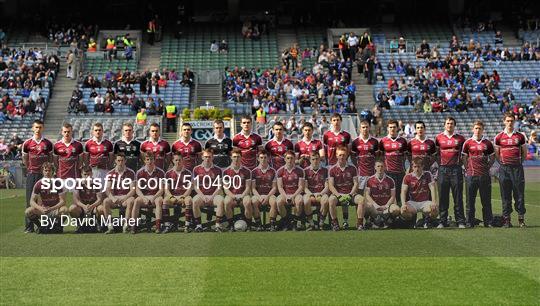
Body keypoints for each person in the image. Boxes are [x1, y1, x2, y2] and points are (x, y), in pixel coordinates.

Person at [494, 113, 527, 227]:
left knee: (519, 194)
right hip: (504, 169)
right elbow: (497, 154)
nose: (510, 123)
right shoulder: (498, 137)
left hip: (517, 168)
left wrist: (518, 163)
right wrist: (503, 163)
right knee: (505, 195)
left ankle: (521, 219)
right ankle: (507, 220)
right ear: (504, 121)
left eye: (512, 121)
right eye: (507, 120)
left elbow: (524, 152)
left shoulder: (520, 136)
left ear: (514, 122)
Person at [462, 121, 495, 228]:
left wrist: (487, 167)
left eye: (480, 128)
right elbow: (464, 157)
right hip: (471, 176)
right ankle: (469, 222)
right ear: (473, 129)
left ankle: (488, 222)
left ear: (483, 129)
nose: (477, 130)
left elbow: (492, 157)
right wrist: (468, 168)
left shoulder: (488, 143)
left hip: (484, 176)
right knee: (470, 201)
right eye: (476, 128)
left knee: (486, 200)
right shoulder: (467, 142)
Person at [435, 117, 466, 228]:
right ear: (444, 125)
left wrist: (459, 165)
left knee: (458, 197)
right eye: (447, 123)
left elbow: (464, 155)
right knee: (443, 197)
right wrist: (441, 165)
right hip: (443, 169)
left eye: (451, 123)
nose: (449, 125)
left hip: (456, 169)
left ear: (454, 125)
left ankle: (460, 221)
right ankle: (442, 221)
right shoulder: (438, 138)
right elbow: (437, 155)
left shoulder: (461, 138)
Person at [22, 120, 53, 233]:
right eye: (36, 127)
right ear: (32, 128)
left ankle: (45, 225)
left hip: (44, 176)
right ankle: (29, 227)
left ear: (43, 128)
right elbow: (25, 159)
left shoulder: (48, 143)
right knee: (29, 200)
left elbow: (50, 159)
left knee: (45, 200)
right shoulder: (27, 143)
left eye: (40, 127)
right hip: (32, 174)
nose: (38, 129)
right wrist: (30, 168)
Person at [25, 162, 68, 232]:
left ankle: (58, 227)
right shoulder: (38, 184)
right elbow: (31, 201)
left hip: (54, 210)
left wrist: (51, 208)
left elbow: (63, 201)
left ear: (53, 172)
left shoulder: (58, 183)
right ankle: (41, 226)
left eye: (49, 170)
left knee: (65, 210)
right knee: (28, 211)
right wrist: (40, 208)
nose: (47, 172)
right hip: (43, 210)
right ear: (42, 172)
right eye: (45, 170)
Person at [328, 146, 363, 231]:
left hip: (350, 193)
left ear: (347, 155)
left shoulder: (352, 168)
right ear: (336, 155)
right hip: (338, 194)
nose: (342, 157)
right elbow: (331, 185)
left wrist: (350, 195)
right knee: (331, 200)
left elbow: (356, 183)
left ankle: (360, 224)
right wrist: (339, 196)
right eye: (340, 155)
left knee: (361, 200)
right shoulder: (332, 169)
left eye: (343, 155)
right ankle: (335, 224)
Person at [102, 153, 136, 234]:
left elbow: (133, 189)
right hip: (115, 197)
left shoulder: (131, 172)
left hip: (126, 197)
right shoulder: (110, 173)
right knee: (106, 201)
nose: (120, 162)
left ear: (125, 161)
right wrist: (113, 198)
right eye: (118, 160)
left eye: (122, 160)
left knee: (131, 200)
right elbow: (107, 189)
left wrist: (125, 198)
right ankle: (110, 226)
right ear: (115, 161)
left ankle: (126, 226)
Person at [192, 149, 225, 232]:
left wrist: (212, 197)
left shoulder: (218, 170)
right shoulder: (196, 169)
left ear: (213, 157)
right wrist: (203, 197)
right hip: (202, 195)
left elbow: (219, 187)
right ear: (202, 157)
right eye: (206, 157)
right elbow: (195, 186)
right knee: (194, 201)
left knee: (221, 201)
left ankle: (218, 225)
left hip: (214, 195)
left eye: (209, 157)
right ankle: (199, 225)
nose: (207, 159)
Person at [132, 153, 165, 234]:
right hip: (145, 196)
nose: (150, 161)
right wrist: (143, 198)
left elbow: (161, 189)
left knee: (159, 200)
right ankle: (134, 226)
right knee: (136, 201)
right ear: (144, 161)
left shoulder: (160, 172)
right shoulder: (139, 172)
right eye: (147, 159)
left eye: (151, 159)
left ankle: (158, 226)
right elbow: (137, 189)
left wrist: (154, 197)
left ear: (154, 160)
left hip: (156, 195)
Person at [400, 158, 438, 228]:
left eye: (419, 166)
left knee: (435, 210)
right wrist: (403, 204)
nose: (417, 169)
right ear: (412, 167)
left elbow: (432, 189)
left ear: (422, 166)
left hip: (425, 202)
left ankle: (427, 221)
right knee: (403, 211)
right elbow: (403, 192)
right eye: (415, 167)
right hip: (413, 202)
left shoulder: (428, 174)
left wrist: (434, 202)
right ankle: (411, 222)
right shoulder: (407, 177)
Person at [379, 120, 408, 205]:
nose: (392, 129)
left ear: (397, 128)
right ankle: (389, 216)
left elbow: (406, 156)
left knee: (400, 197)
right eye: (390, 127)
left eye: (394, 127)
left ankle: (400, 216)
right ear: (387, 128)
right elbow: (380, 157)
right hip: (388, 173)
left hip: (400, 173)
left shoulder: (403, 141)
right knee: (388, 196)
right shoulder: (383, 141)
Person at [364, 160, 400, 228]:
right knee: (364, 206)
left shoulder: (390, 180)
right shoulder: (370, 180)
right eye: (378, 166)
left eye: (382, 166)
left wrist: (386, 206)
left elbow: (393, 196)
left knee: (396, 209)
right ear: (375, 167)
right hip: (375, 207)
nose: (380, 168)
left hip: (386, 207)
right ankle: (369, 221)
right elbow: (367, 195)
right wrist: (375, 205)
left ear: (385, 167)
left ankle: (388, 221)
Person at [223, 149, 252, 231]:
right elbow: (226, 189)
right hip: (232, 195)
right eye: (234, 157)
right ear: (231, 158)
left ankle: (249, 224)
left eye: (238, 157)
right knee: (227, 202)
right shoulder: (226, 171)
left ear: (241, 157)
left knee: (247, 201)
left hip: (243, 195)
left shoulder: (247, 171)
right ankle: (231, 224)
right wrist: (233, 197)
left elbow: (248, 187)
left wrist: (242, 196)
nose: (236, 159)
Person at [69, 166, 104, 233]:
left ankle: (99, 224)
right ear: (81, 174)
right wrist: (84, 206)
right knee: (72, 208)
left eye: (89, 174)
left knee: (101, 208)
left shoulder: (96, 183)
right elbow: (76, 200)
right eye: (85, 174)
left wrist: (92, 206)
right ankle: (79, 225)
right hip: (82, 206)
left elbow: (99, 199)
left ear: (92, 174)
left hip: (94, 207)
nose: (87, 176)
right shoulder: (78, 183)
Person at [276, 151, 305, 231]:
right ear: (284, 159)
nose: (289, 160)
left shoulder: (300, 171)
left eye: (291, 158)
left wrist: (293, 196)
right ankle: (286, 222)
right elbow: (280, 187)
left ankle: (294, 223)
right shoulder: (280, 171)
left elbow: (301, 187)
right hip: (284, 193)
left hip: (296, 193)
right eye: (288, 158)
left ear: (295, 159)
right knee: (278, 201)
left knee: (299, 201)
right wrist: (286, 196)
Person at [164, 152, 193, 233]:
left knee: (189, 200)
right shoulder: (168, 173)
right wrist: (171, 197)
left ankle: (187, 225)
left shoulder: (188, 173)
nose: (178, 162)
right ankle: (167, 225)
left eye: (180, 160)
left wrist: (183, 197)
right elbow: (166, 189)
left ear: (183, 160)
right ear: (173, 160)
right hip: (173, 196)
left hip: (184, 195)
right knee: (165, 200)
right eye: (176, 160)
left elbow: (189, 188)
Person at [251, 151, 277, 231]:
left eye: (265, 157)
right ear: (258, 159)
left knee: (274, 201)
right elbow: (253, 188)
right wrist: (259, 197)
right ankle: (259, 225)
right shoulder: (254, 171)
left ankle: (272, 225)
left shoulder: (273, 171)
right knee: (254, 201)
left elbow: (274, 188)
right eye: (261, 158)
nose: (263, 159)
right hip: (258, 195)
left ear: (268, 159)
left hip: (269, 195)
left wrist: (267, 197)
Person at [351, 119, 379, 193]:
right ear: (360, 129)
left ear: (369, 128)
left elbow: (378, 156)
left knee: (372, 192)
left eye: (366, 127)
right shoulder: (355, 142)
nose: (365, 129)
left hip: (372, 172)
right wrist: (356, 166)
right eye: (363, 127)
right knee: (360, 192)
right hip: (361, 173)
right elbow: (353, 156)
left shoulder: (375, 141)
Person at [303, 151, 329, 231]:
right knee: (306, 201)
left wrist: (321, 194)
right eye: (313, 159)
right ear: (310, 160)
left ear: (320, 160)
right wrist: (310, 194)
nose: (315, 161)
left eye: (317, 159)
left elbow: (327, 186)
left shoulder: (325, 170)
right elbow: (305, 187)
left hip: (321, 192)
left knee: (325, 200)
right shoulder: (305, 171)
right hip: (310, 193)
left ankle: (321, 223)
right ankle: (311, 224)